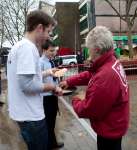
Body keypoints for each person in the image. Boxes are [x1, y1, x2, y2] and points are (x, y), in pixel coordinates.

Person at [60, 26, 129, 150]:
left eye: (89, 48)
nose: (88, 52)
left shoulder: (105, 76)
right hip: (114, 124)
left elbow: (89, 110)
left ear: (96, 49)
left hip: (109, 130)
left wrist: (77, 99)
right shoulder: (110, 62)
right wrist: (69, 81)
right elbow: (91, 74)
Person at [7, 10, 62, 150]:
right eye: (48, 31)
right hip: (31, 116)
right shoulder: (28, 48)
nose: (49, 36)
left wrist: (47, 72)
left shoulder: (18, 47)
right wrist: (52, 87)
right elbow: (27, 85)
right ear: (39, 28)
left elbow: (28, 76)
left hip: (22, 113)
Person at [39, 40, 64, 150]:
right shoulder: (40, 63)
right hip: (45, 97)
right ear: (44, 50)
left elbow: (53, 78)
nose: (53, 53)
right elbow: (36, 79)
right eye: (51, 51)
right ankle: (49, 144)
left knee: (52, 121)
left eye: (54, 50)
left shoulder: (51, 61)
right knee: (48, 122)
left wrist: (58, 86)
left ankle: (52, 142)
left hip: (53, 94)